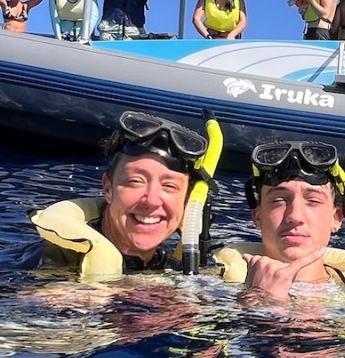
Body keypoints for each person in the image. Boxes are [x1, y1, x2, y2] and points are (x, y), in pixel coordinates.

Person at [31, 111, 215, 277]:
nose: (151, 201)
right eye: (135, 182)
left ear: (187, 201)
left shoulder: (175, 269)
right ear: (108, 188)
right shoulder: (47, 263)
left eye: (169, 186)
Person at [213, 141, 345, 299]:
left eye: (313, 201)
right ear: (257, 216)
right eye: (278, 200)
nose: (295, 216)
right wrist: (258, 298)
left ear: (336, 218)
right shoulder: (212, 289)